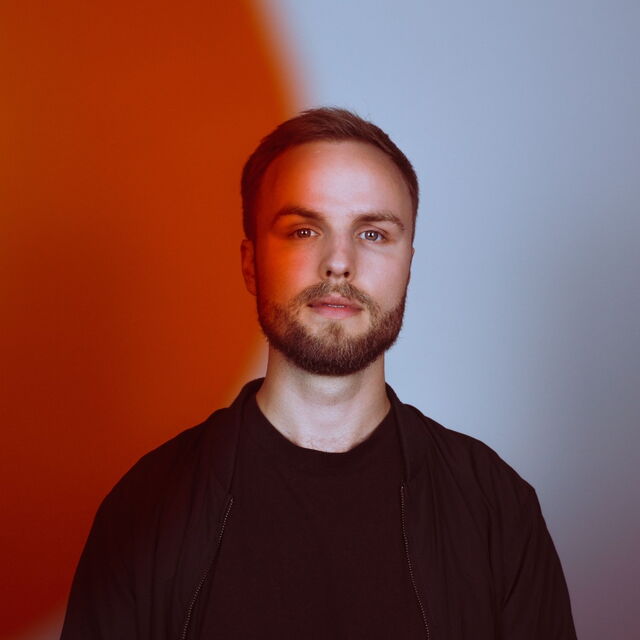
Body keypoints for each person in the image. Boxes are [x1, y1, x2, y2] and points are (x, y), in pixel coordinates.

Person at [61, 107, 577, 639]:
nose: (339, 262)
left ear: (408, 265)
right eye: (304, 230)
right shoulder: (144, 509)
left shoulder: (495, 507)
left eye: (372, 234)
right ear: (250, 263)